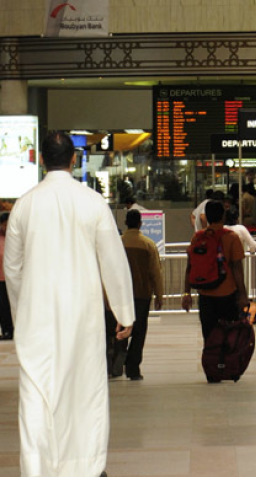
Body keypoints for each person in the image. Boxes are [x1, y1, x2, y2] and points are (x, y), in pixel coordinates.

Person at [3, 131, 135, 477]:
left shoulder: (24, 205)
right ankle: (86, 467)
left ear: (42, 159)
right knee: (84, 392)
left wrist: (21, 312)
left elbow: (12, 268)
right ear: (74, 160)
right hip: (83, 317)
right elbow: (112, 259)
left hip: (37, 319)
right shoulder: (92, 202)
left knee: (36, 396)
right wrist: (124, 312)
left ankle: (36, 467)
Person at [181, 200, 249, 341]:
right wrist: (243, 295)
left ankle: (214, 362)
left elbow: (190, 267)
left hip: (205, 295)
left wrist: (187, 293)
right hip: (227, 295)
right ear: (223, 216)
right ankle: (225, 363)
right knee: (229, 337)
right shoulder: (231, 237)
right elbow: (237, 269)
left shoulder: (198, 237)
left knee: (210, 337)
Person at [120, 209, 164, 380]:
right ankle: (133, 369)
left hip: (121, 295)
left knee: (120, 329)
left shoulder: (118, 243)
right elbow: (155, 272)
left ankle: (116, 363)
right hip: (141, 294)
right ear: (140, 223)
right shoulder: (148, 244)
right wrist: (159, 294)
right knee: (139, 332)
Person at [0, 212, 13, 340]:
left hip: (13, 278)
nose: (6, 226)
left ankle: (14, 330)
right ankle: (7, 330)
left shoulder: (14, 237)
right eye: (4, 224)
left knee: (12, 305)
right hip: (1, 279)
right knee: (3, 306)